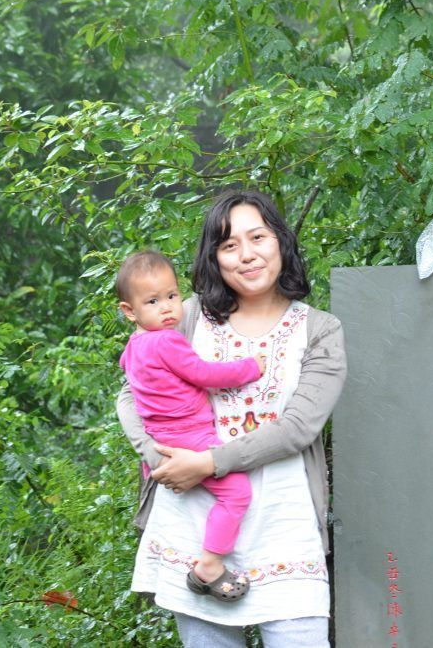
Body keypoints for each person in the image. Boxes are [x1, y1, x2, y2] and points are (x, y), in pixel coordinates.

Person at [116, 190, 346, 647]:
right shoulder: (186, 316)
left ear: (280, 241)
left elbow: (298, 429)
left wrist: (207, 463)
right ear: (214, 258)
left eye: (257, 237)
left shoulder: (319, 329)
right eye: (228, 245)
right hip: (193, 527)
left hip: (285, 527)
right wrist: (160, 458)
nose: (247, 255)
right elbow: (130, 395)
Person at [117, 250, 266, 602]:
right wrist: (251, 367)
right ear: (129, 311)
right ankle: (209, 566)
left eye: (171, 296)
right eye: (152, 301)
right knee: (237, 494)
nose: (168, 308)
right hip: (190, 435)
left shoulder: (133, 347)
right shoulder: (167, 340)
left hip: (162, 437)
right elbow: (203, 375)